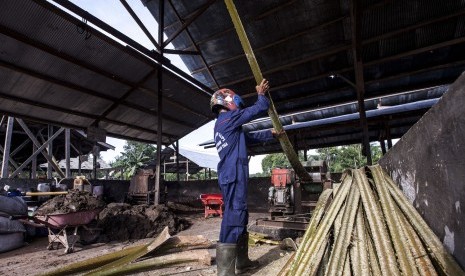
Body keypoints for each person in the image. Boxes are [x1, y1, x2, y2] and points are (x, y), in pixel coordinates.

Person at [210, 79, 281, 275]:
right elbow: (256, 110)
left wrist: (270, 134)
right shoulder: (227, 119)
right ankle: (225, 272)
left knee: (240, 216)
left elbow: (250, 138)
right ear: (228, 102)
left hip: (232, 174)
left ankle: (242, 263)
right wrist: (261, 95)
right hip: (233, 174)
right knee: (234, 216)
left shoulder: (225, 124)